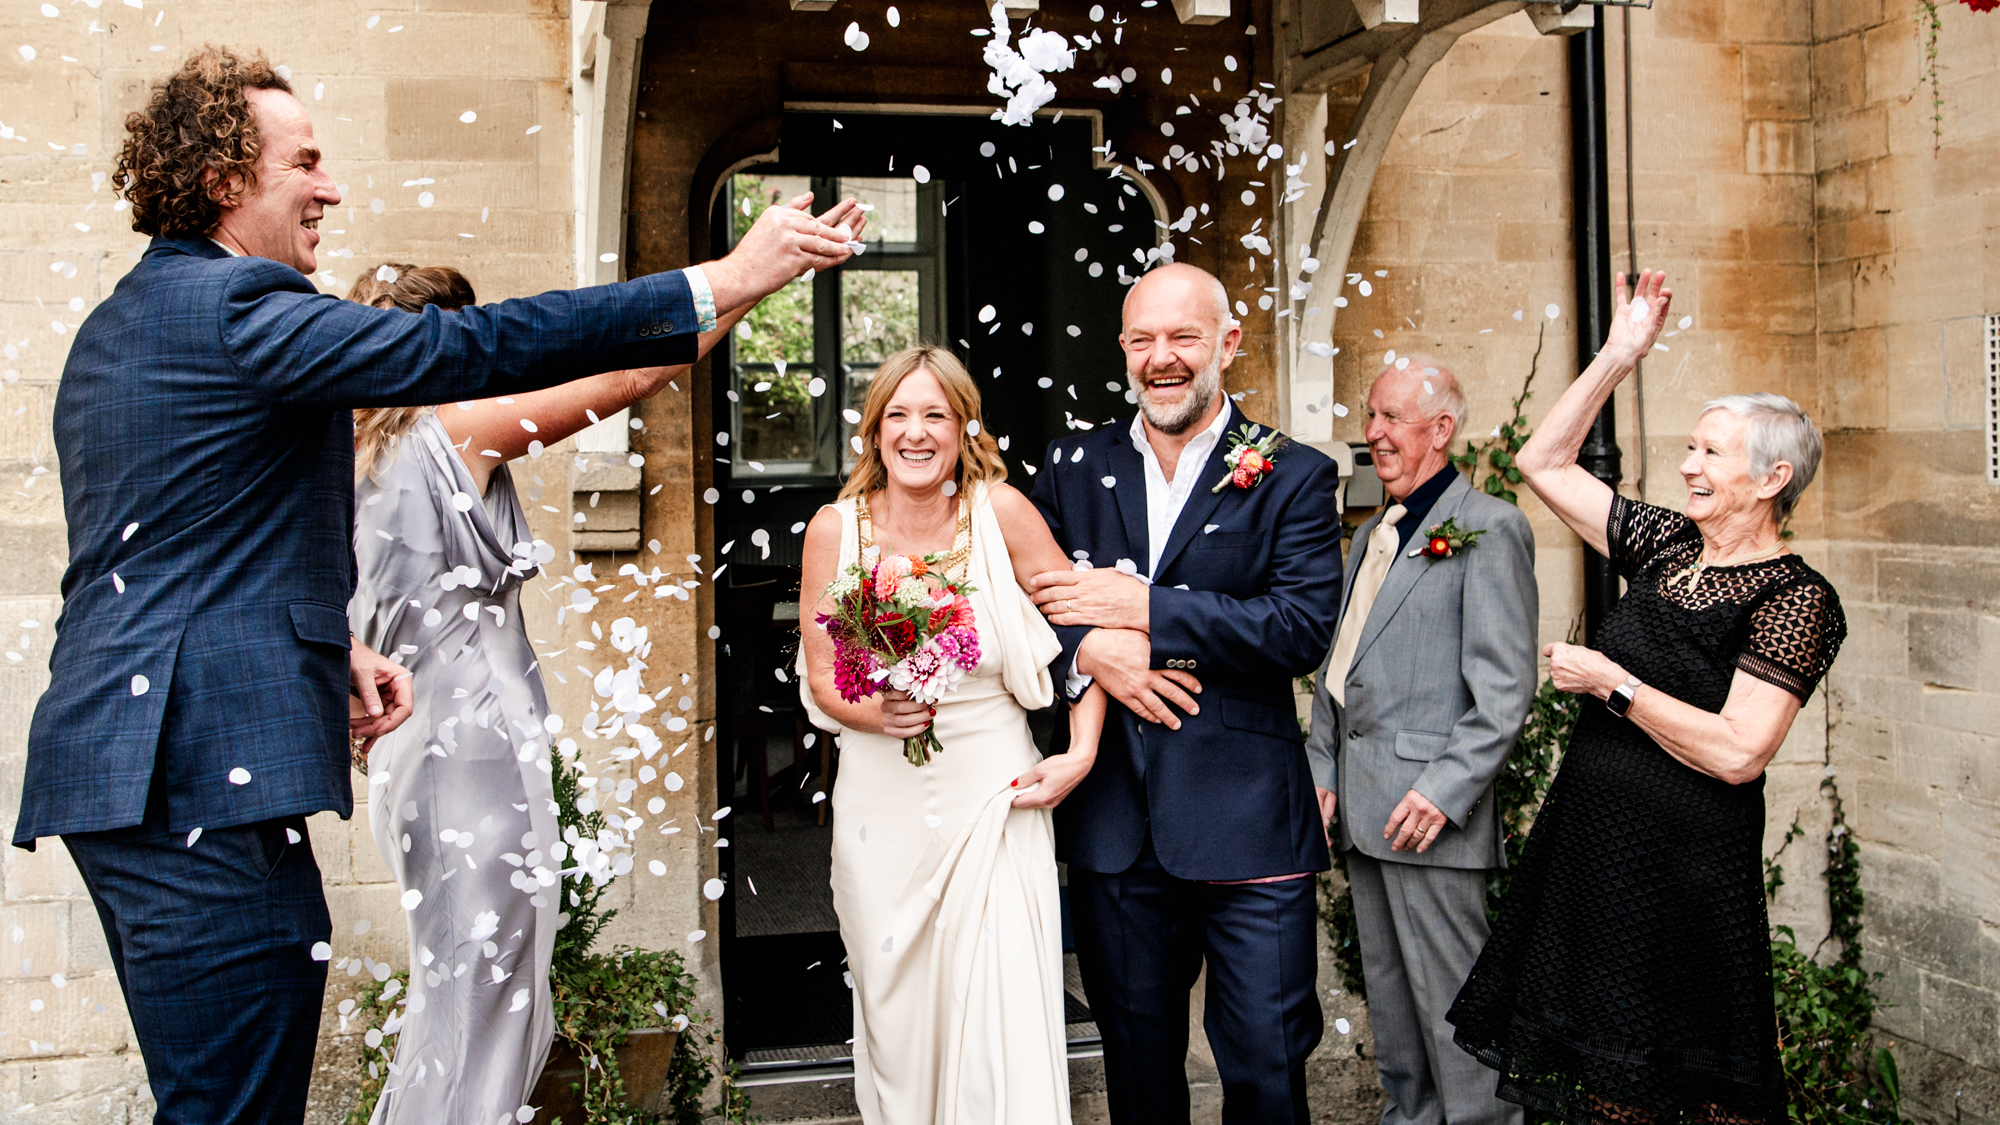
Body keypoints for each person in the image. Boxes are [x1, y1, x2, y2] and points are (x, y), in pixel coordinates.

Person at [17, 46, 857, 1124]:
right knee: (232, 1106)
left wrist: (329, 650)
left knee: (233, 1087)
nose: (331, 188)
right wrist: (725, 280)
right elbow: (477, 349)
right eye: (305, 162)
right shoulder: (237, 306)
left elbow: (168, 551)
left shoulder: (126, 325)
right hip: (184, 775)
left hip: (150, 766)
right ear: (226, 180)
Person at [341, 254, 794, 1120]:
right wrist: (749, 283)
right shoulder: (455, 425)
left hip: (412, 741)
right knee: (490, 989)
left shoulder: (354, 446)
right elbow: (626, 375)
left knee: (456, 984)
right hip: (472, 742)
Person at [1448, 271, 1849, 1125]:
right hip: (1596, 854)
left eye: (1710, 452)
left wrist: (1614, 683)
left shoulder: (1793, 597)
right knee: (1604, 1091)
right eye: (1691, 448)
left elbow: (1740, 750)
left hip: (1686, 877)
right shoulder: (1670, 546)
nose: (1687, 464)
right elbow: (1543, 461)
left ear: (1774, 477)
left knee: (1694, 1093)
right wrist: (1620, 353)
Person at [1025, 262, 1346, 1125]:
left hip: (1252, 825)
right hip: (1116, 825)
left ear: (1228, 345)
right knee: (1136, 1071)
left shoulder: (1295, 472)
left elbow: (1300, 628)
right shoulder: (1070, 463)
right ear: (1123, 350)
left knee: (1269, 1070)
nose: (1161, 358)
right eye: (1143, 340)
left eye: (1183, 337)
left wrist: (1147, 611)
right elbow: (1019, 600)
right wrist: (1094, 649)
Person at [797, 345, 1106, 1125]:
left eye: (935, 413)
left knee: (998, 1012)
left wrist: (1081, 748)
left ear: (965, 426)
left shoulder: (999, 513)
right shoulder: (834, 531)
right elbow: (826, 676)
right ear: (873, 431)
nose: (916, 431)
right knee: (895, 1015)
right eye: (898, 413)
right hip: (880, 807)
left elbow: (1084, 632)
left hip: (994, 796)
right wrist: (875, 712)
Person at [1303, 358, 1537, 1125]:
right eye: (1371, 416)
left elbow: (1504, 692)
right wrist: (1324, 764)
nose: (1373, 433)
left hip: (1427, 816)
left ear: (1441, 430)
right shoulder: (1371, 532)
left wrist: (1440, 790)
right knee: (1399, 1024)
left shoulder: (1490, 527)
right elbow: (1344, 665)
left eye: (1391, 418)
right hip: (1366, 816)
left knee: (1457, 1024)